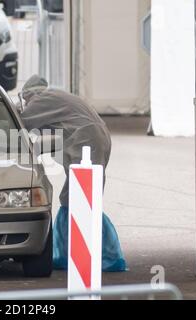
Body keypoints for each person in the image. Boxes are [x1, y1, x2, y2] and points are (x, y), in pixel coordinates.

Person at [19, 75, 127, 272]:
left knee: (83, 198)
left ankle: (104, 256)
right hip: (94, 137)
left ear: (29, 94)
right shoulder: (55, 96)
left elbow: (20, 123)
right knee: (74, 197)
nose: (26, 103)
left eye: (25, 100)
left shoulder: (40, 100)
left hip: (88, 140)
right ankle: (75, 253)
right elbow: (61, 127)